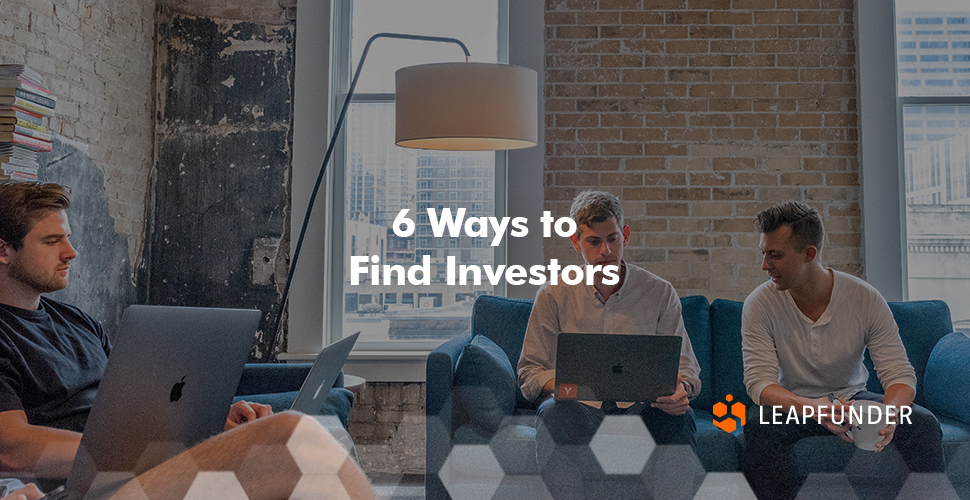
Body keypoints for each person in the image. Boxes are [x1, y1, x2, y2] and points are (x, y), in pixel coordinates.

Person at [0, 181, 376, 499]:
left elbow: (137, 403)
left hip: (140, 465)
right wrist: (144, 450)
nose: (71, 252)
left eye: (67, 238)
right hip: (94, 485)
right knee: (290, 436)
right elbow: (12, 449)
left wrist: (211, 422)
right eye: (52, 241)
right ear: (3, 250)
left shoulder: (76, 321)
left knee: (322, 436)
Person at [740, 200, 945, 500]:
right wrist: (810, 407)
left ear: (809, 253)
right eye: (764, 254)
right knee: (759, 424)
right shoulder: (759, 304)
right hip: (794, 407)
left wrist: (888, 414)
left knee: (923, 423)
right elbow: (759, 383)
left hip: (853, 401)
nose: (765, 265)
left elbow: (899, 374)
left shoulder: (865, 298)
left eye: (775, 255)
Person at [517, 190, 701, 499]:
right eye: (594, 241)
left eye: (613, 239)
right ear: (576, 242)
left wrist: (681, 390)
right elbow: (529, 374)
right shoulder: (553, 295)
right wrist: (568, 386)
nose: (606, 250)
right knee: (552, 413)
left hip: (643, 410)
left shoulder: (659, 293)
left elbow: (686, 370)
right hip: (580, 411)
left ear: (625, 235)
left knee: (681, 417)